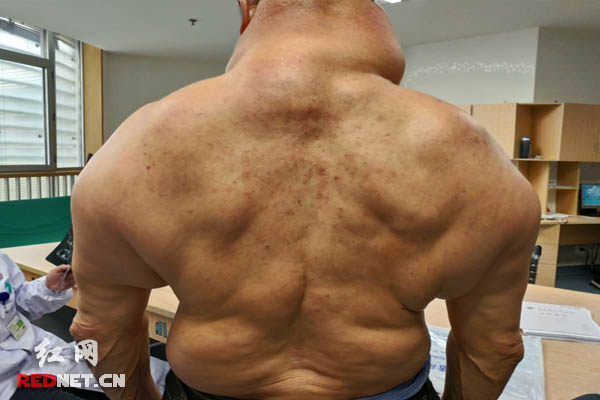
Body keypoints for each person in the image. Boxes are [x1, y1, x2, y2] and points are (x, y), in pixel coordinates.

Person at [69, 0, 541, 399]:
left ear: (246, 7)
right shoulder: (479, 162)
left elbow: (96, 335)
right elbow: (496, 349)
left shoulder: (133, 151)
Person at [0, 253, 169, 399]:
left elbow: (16, 304)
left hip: (40, 353)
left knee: (153, 375)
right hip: (8, 384)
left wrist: (47, 288)